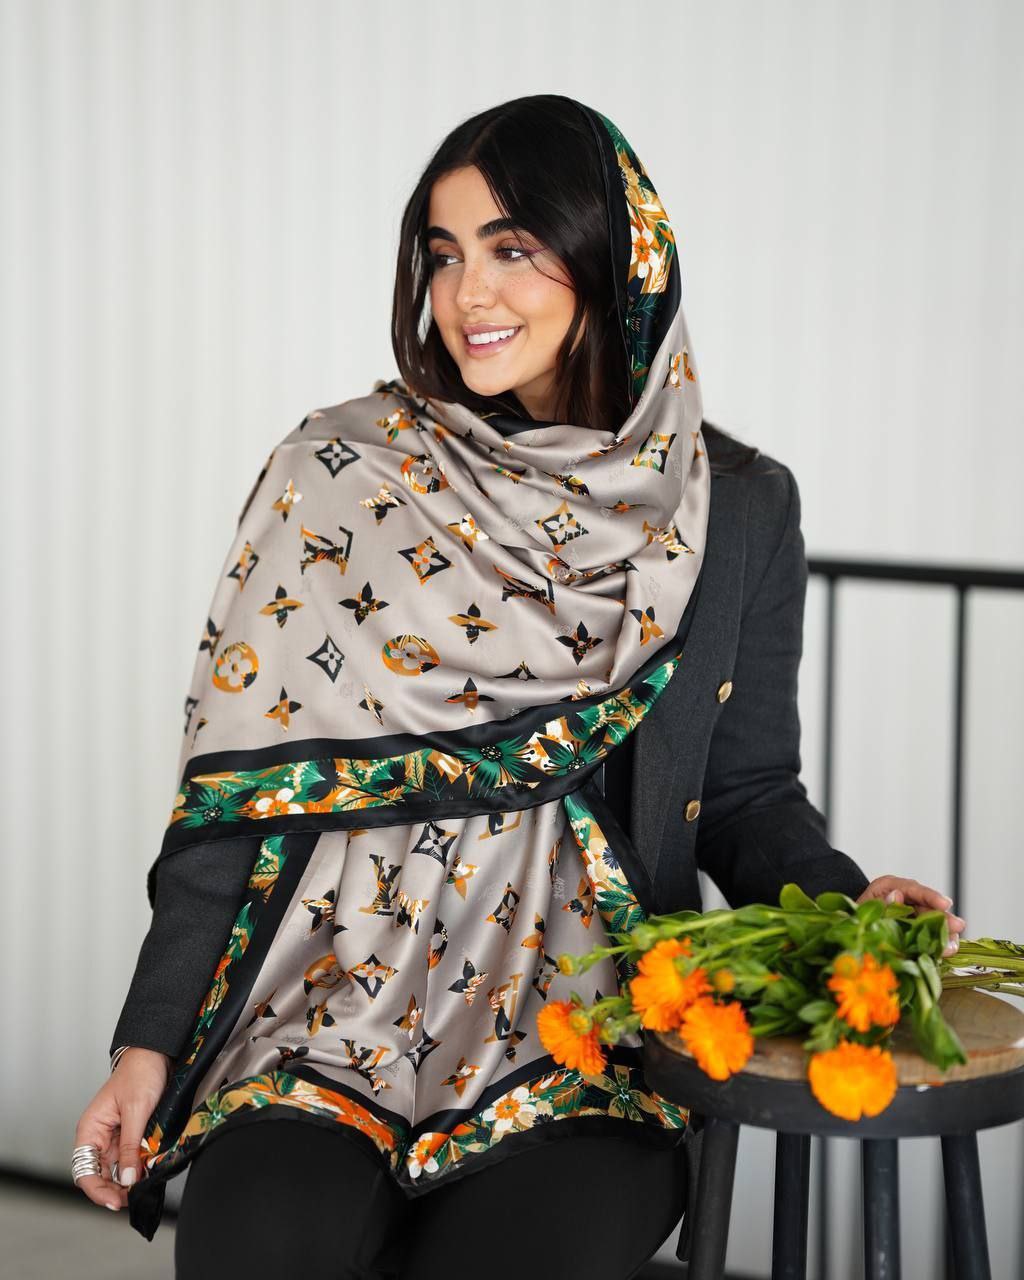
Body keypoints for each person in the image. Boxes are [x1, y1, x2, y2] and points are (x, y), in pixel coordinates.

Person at [72, 94, 966, 1279]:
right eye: (443, 254)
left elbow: (747, 792)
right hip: (326, 1011)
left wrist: (848, 909)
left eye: (512, 248)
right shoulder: (343, 476)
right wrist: (146, 1043)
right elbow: (241, 790)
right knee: (257, 1248)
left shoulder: (736, 507)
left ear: (614, 258)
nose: (468, 294)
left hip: (587, 1026)